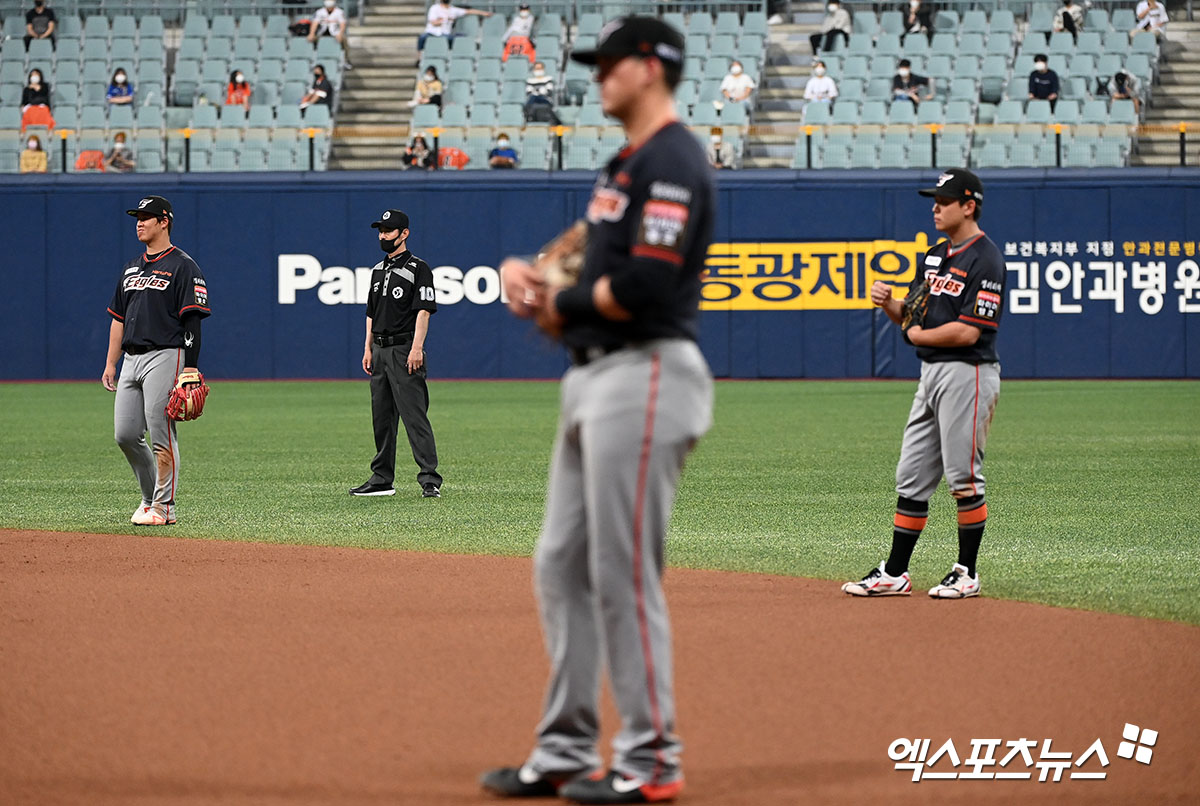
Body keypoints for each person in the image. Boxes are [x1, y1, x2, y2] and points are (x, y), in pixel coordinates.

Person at [483, 16, 715, 804]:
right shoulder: (628, 161)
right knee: (560, 564)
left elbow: (647, 283)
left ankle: (652, 760)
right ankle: (564, 748)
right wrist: (536, 268)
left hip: (645, 373)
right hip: (592, 376)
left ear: (650, 69)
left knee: (621, 573)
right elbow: (592, 242)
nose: (598, 76)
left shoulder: (676, 157)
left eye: (610, 64)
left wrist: (559, 295)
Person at [843, 168, 1003, 600]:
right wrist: (891, 304)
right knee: (911, 475)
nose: (935, 206)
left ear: (968, 206)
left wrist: (915, 335)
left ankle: (966, 572)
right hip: (931, 373)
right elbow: (913, 316)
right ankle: (895, 573)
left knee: (964, 479)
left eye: (944, 200)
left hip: (968, 372)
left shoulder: (984, 257)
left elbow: (970, 331)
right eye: (934, 199)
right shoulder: (934, 255)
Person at [102, 196, 212, 527]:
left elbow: (193, 319)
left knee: (161, 434)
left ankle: (165, 507)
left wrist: (190, 366)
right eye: (137, 217)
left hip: (166, 354)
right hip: (131, 361)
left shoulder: (183, 266)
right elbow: (118, 318)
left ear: (164, 221)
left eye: (147, 217)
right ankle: (149, 499)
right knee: (125, 434)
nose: (139, 222)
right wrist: (111, 363)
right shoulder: (131, 267)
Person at [351, 209, 442, 499]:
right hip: (379, 349)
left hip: (404, 349)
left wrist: (417, 348)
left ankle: (430, 479)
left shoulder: (418, 268)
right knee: (382, 418)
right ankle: (382, 478)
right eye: (380, 231)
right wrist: (367, 347)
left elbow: (424, 311)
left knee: (414, 416)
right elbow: (370, 312)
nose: (383, 236)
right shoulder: (378, 270)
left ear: (404, 234)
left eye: (388, 231)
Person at [418, 0, 492, 52]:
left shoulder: (453, 10)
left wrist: (484, 13)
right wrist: (445, 19)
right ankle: (420, 58)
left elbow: (469, 11)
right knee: (422, 38)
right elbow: (433, 22)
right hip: (432, 33)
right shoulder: (434, 8)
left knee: (463, 38)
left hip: (446, 34)